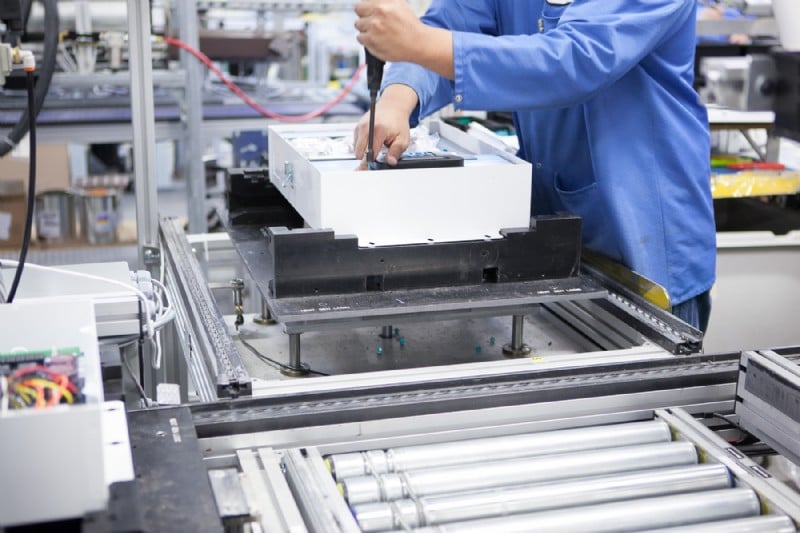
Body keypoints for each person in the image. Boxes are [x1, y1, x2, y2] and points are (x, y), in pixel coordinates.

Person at [352, 0, 716, 332]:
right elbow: (453, 22)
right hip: (553, 241)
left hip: (645, 241)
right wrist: (398, 98)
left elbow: (574, 60)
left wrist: (420, 42)